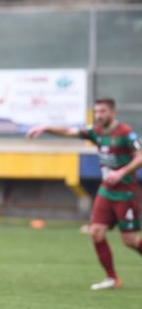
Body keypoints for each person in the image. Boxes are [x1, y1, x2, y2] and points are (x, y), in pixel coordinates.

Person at [27, 97, 142, 290]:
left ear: (113, 112)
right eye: (96, 111)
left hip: (126, 193)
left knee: (130, 241)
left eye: (103, 111)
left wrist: (122, 172)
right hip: (106, 191)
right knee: (96, 232)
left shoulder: (125, 132)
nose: (99, 115)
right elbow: (68, 132)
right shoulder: (96, 132)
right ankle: (112, 278)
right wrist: (46, 127)